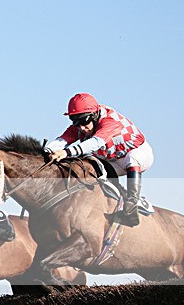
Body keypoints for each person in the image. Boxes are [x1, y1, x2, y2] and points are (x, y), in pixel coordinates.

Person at [46, 93, 154, 227]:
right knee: (91, 165)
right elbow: (62, 140)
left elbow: (94, 143)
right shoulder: (83, 123)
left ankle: (132, 205)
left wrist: (66, 152)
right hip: (113, 160)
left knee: (132, 159)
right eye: (75, 122)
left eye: (84, 121)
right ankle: (118, 195)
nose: (81, 127)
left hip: (139, 154)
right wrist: (46, 151)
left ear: (94, 115)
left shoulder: (110, 122)